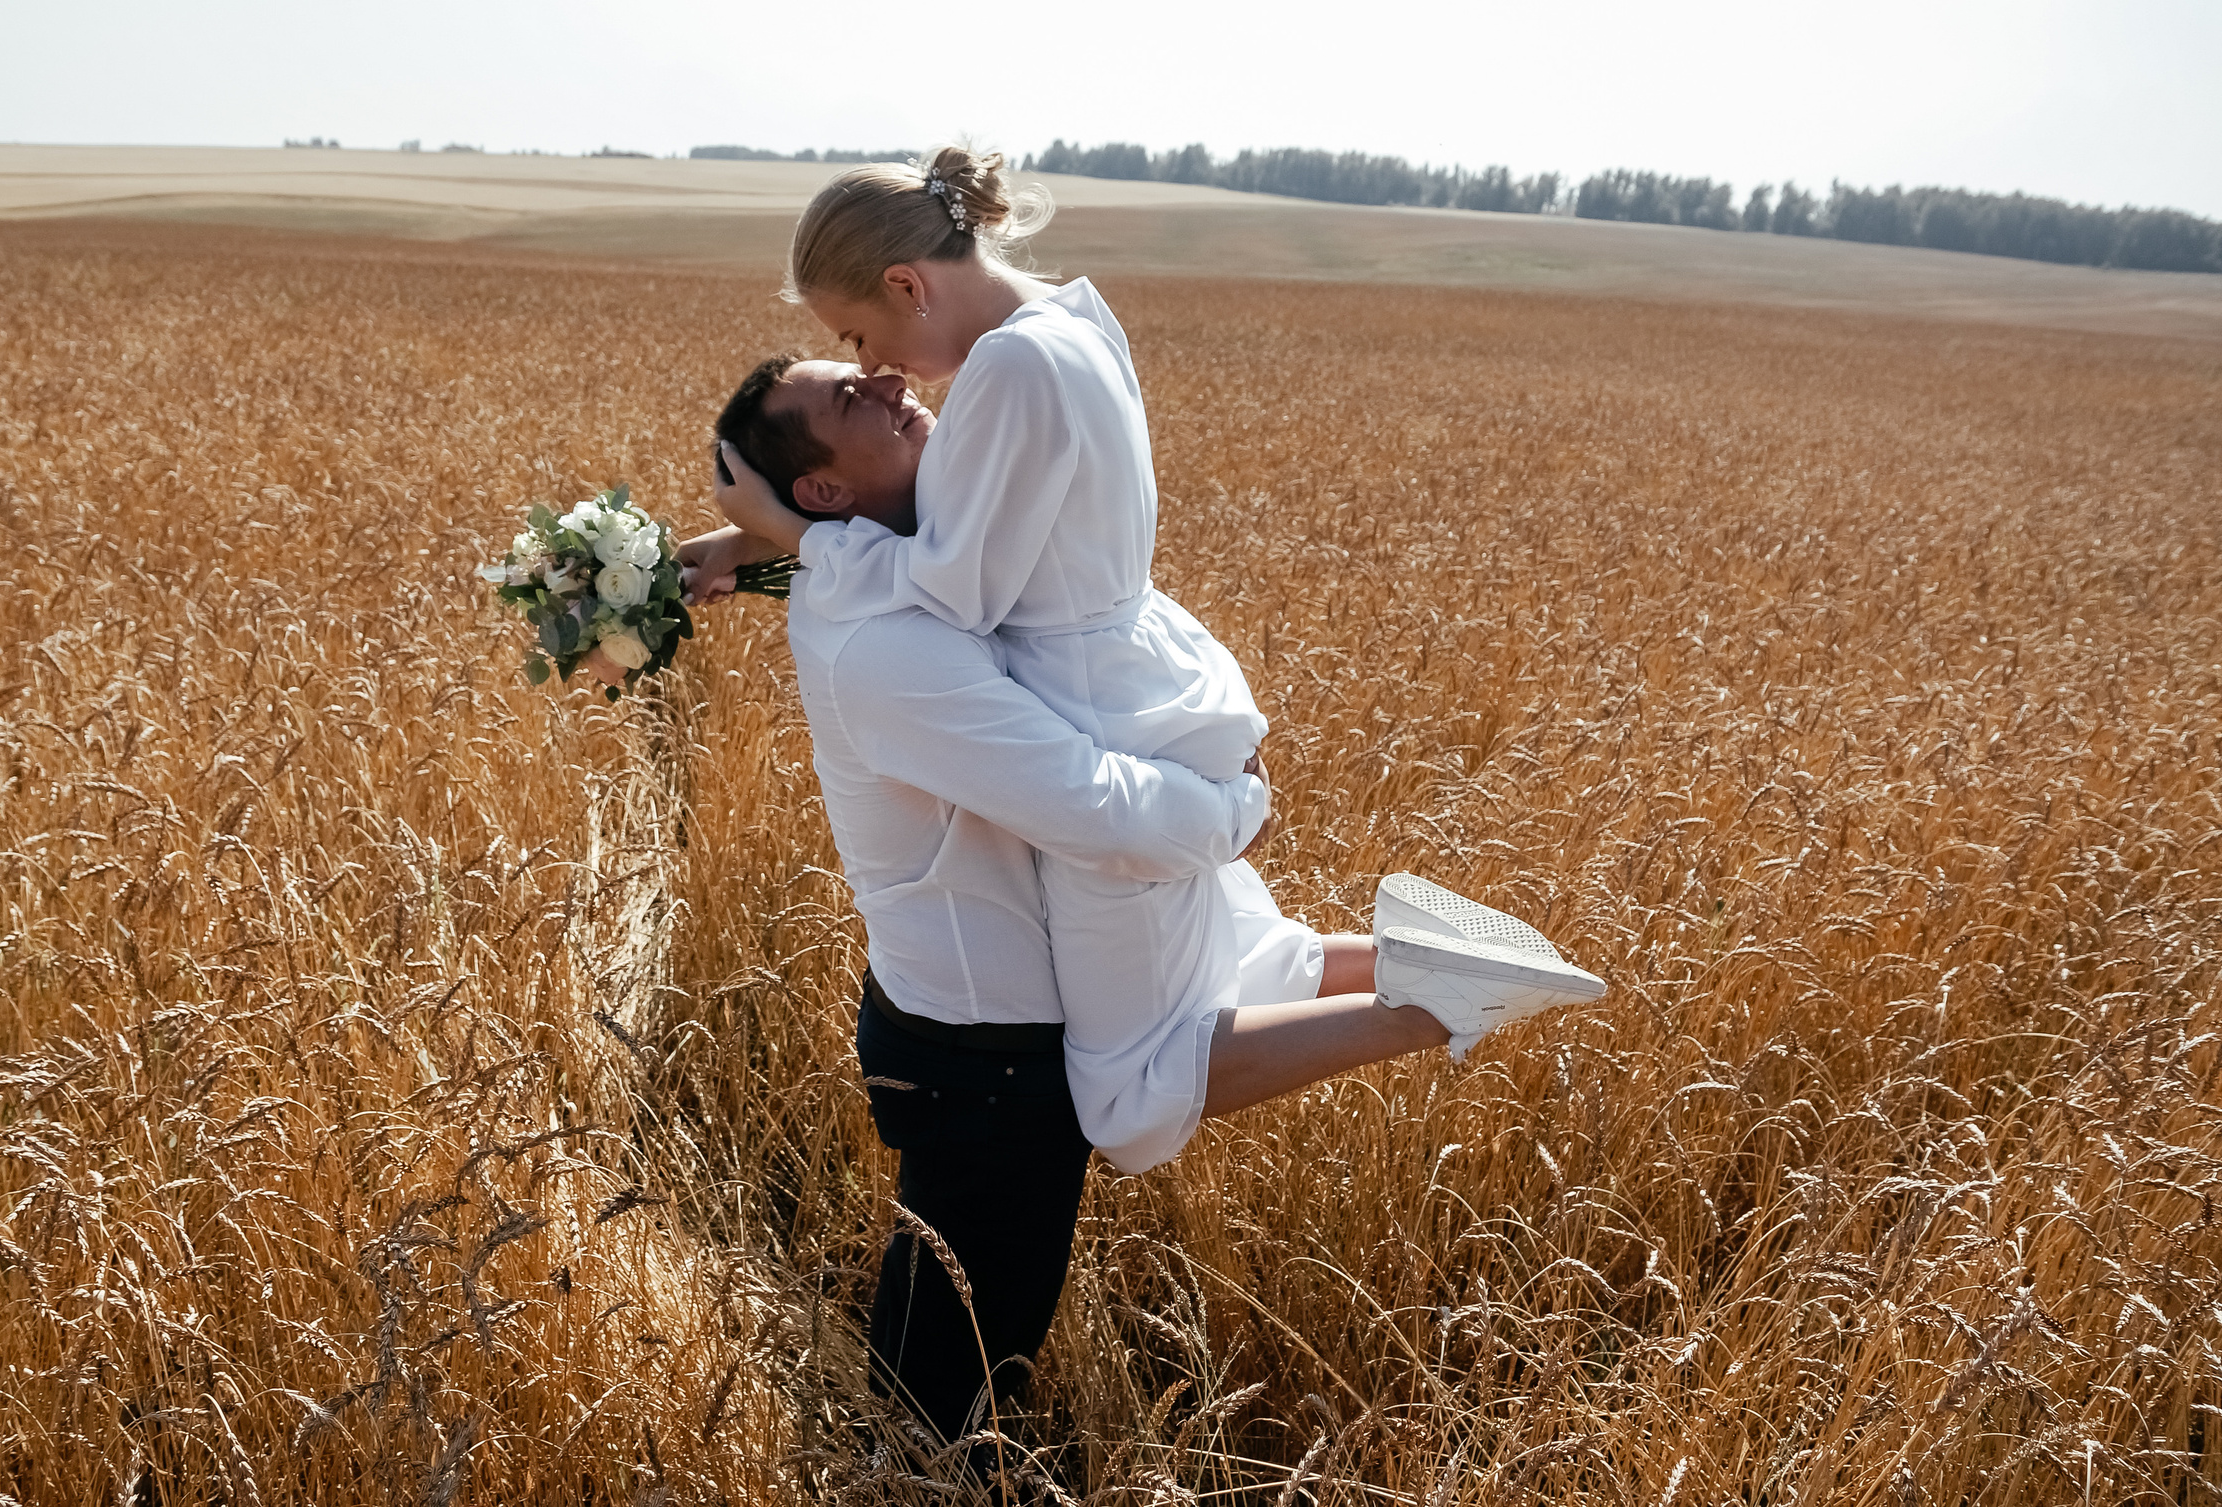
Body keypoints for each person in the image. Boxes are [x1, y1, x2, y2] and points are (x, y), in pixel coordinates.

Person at [676, 356, 1594, 1445]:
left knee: (1216, 997)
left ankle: (1433, 988)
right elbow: (1089, 804)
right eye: (847, 399)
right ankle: (1428, 992)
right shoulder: (884, 646)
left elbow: (894, 550)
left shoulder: (915, 559)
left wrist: (763, 539)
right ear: (824, 486)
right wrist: (1235, 811)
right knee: (945, 1391)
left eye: (864, 366)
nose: (882, 379)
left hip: (1003, 1002)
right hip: (982, 1053)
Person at [703, 150, 1603, 1175]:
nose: (879, 368)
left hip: (1101, 721)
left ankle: (1437, 1002)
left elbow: (953, 588)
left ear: (907, 284)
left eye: (857, 337)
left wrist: (799, 533)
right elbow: (971, 512)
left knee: (1129, 1093)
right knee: (1238, 956)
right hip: (1149, 679)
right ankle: (1430, 958)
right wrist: (751, 540)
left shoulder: (1007, 369)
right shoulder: (1075, 322)